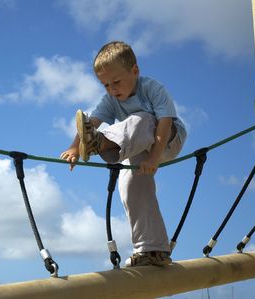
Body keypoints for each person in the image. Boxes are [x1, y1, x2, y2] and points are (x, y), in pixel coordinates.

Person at [60, 41, 187, 267]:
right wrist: (74, 147)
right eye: (105, 85)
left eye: (116, 82)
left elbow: (165, 123)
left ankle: (99, 142)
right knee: (129, 184)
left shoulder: (152, 88)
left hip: (166, 140)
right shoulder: (111, 100)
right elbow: (91, 122)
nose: (112, 89)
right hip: (136, 146)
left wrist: (155, 157)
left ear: (135, 71)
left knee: (142, 118)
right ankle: (152, 248)